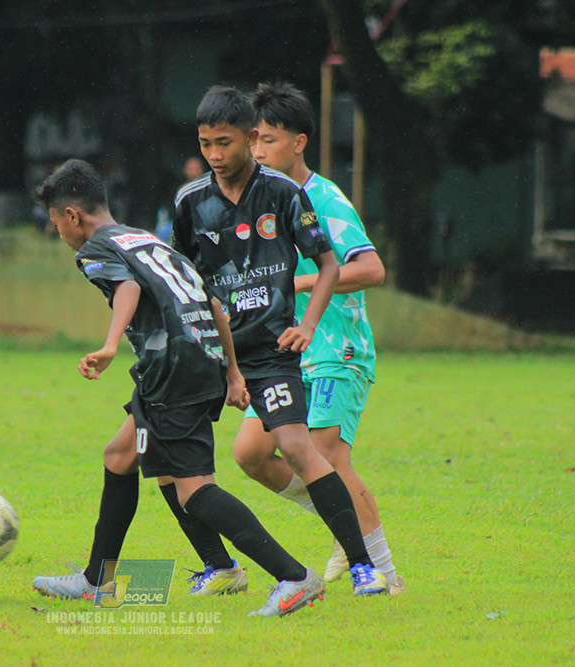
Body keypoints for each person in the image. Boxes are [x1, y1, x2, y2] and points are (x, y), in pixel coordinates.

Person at [30, 159, 328, 617]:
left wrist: (110, 345)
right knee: (119, 455)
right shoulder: (146, 238)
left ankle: (293, 576)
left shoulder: (94, 249)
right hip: (198, 361)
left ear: (72, 215)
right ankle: (98, 580)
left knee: (194, 491)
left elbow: (126, 289)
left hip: (172, 369)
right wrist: (230, 372)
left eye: (56, 222)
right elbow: (210, 301)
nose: (58, 233)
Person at [170, 86, 387, 597]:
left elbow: (351, 265)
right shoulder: (191, 202)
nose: (216, 155)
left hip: (301, 349)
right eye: (206, 145)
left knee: (312, 449)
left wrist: (307, 321)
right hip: (222, 351)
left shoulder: (296, 195)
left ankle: (369, 566)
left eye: (229, 143)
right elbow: (180, 277)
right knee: (237, 453)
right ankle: (227, 564)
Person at [244, 82, 403, 594]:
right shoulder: (255, 200)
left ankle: (384, 575)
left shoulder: (324, 197)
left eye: (268, 139)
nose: (257, 151)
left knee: (328, 455)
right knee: (250, 453)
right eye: (253, 140)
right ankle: (344, 523)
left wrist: (303, 280)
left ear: (299, 142)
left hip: (336, 348)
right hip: (282, 351)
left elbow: (372, 269)